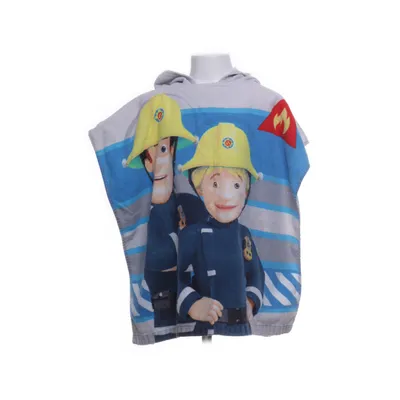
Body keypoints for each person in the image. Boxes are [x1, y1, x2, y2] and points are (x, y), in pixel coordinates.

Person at [176, 123, 265, 337]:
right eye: (215, 184)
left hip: (242, 328)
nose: (225, 196)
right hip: (208, 330)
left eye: (236, 185)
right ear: (199, 187)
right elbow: (175, 276)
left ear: (246, 191)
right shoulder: (192, 235)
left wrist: (251, 301)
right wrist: (192, 304)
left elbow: (256, 273)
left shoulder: (243, 234)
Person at [126, 93, 199, 341]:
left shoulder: (192, 205)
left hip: (202, 316)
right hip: (160, 321)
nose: (156, 163)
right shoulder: (142, 216)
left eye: (163, 150)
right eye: (148, 156)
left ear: (174, 150)